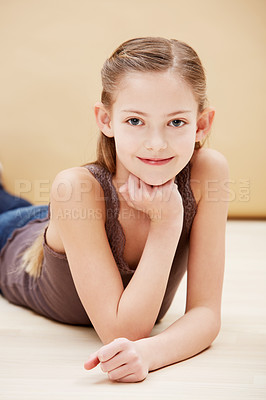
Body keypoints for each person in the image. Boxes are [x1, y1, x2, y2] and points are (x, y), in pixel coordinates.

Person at [0, 37, 229, 383]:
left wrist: (151, 353)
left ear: (201, 125)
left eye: (176, 122)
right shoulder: (74, 187)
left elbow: (206, 312)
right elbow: (124, 329)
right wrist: (166, 224)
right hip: (13, 239)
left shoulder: (207, 173)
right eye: (135, 121)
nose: (156, 143)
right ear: (105, 120)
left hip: (67, 223)